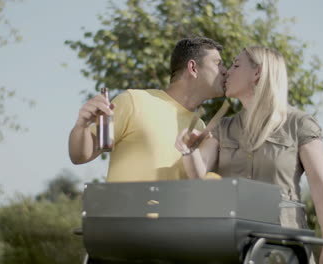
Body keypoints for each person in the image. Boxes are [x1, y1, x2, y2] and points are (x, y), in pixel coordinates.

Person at [175, 46, 323, 264]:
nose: (227, 72)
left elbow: (320, 186)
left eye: (235, 65)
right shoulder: (222, 128)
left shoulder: (299, 124)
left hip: (285, 248)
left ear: (257, 73)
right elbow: (198, 174)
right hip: (233, 246)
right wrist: (188, 149)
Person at [69, 37, 227, 182]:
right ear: (193, 67)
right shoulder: (134, 101)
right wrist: (81, 126)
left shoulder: (199, 127)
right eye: (217, 63)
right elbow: (80, 156)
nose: (225, 71)